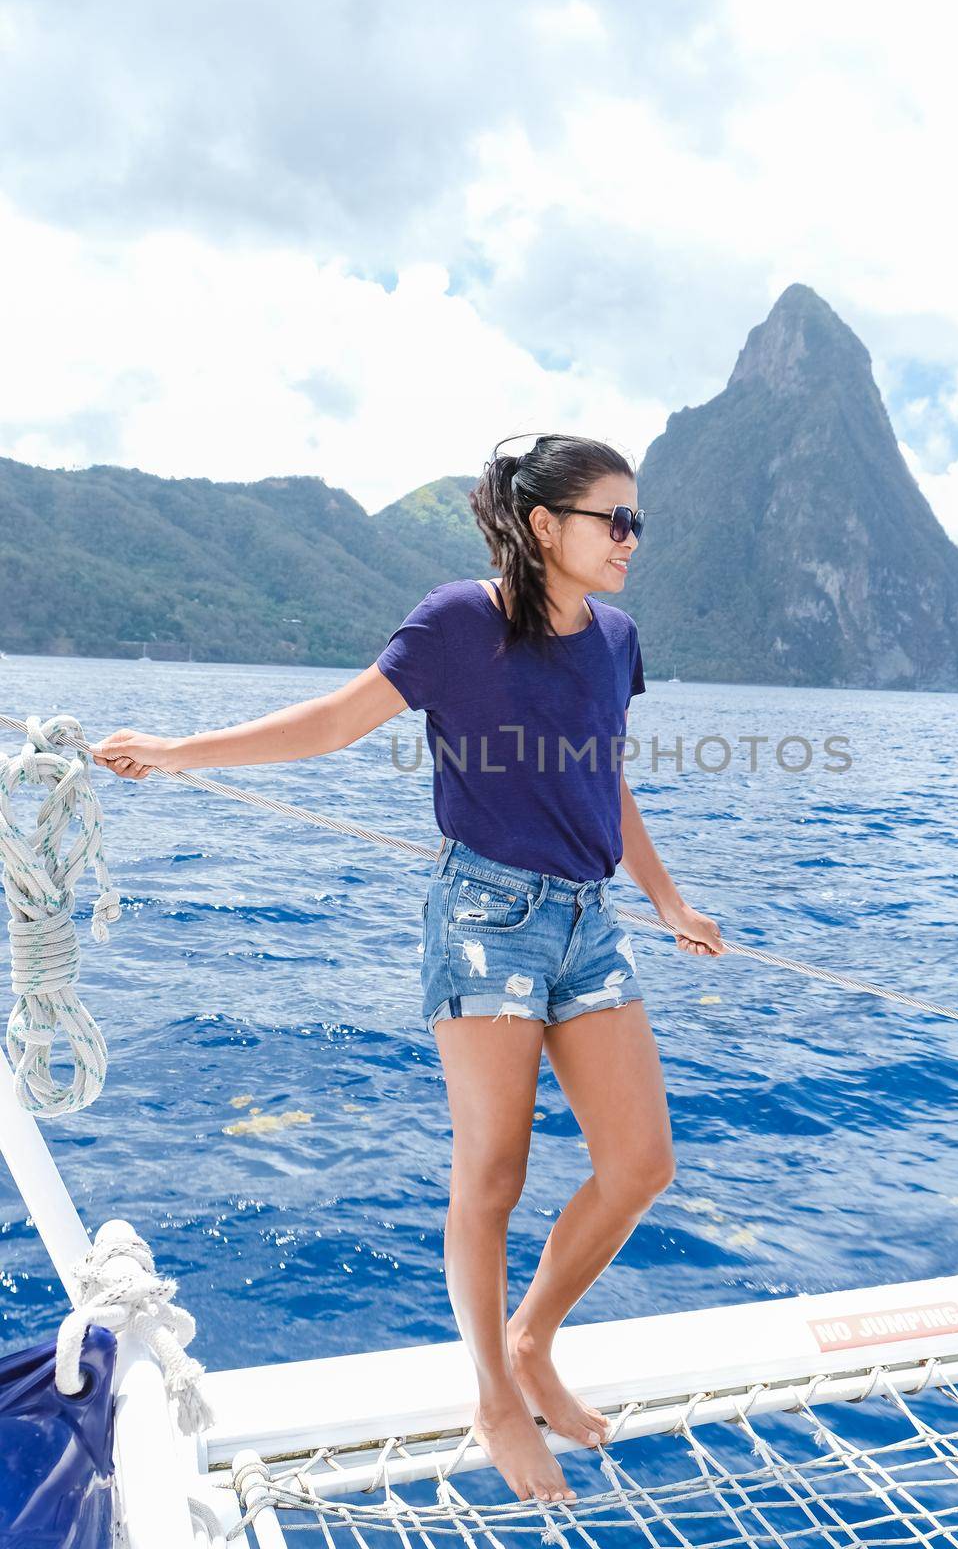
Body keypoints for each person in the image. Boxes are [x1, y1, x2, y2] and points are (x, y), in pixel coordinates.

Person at [90, 432, 725, 1505]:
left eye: (637, 521)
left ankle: (532, 1340)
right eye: (612, 519)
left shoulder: (616, 640)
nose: (631, 539)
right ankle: (491, 1394)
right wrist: (172, 750)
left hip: (589, 920)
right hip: (485, 918)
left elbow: (603, 775)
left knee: (641, 1163)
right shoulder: (456, 624)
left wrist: (666, 898)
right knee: (493, 1177)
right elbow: (336, 722)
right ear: (543, 527)